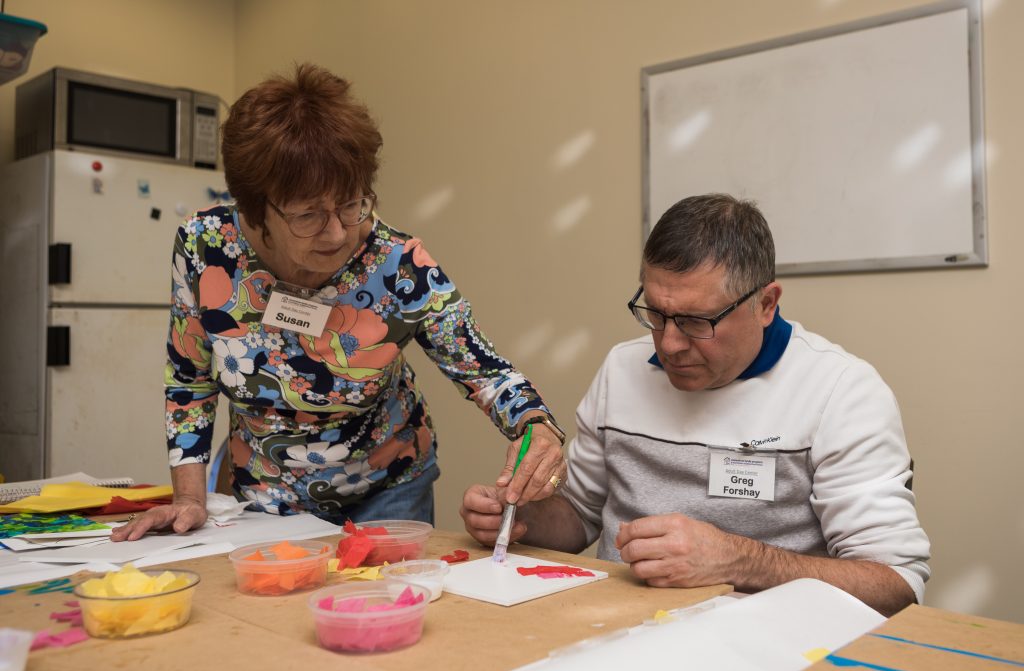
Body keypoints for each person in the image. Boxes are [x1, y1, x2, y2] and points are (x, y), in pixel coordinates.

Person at [113, 64, 566, 541]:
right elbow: (190, 380)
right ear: (254, 209)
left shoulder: (396, 264)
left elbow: (483, 369)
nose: (336, 233)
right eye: (308, 213)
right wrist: (188, 498)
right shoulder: (206, 248)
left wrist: (537, 426)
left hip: (387, 485)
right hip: (263, 493)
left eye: (350, 204)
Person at [460, 194, 930, 616]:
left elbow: (895, 583)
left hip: (772, 645)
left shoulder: (840, 391)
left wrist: (738, 560)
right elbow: (580, 515)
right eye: (656, 314)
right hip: (619, 630)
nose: (669, 344)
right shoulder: (622, 371)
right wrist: (521, 519)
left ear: (766, 304)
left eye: (696, 321)